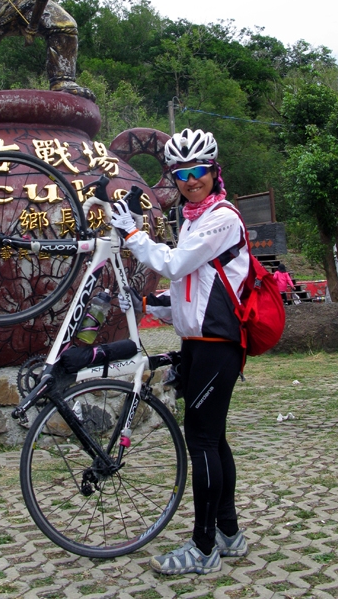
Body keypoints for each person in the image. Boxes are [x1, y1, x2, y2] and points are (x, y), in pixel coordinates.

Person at [111, 128, 249, 576]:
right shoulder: (193, 217)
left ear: (214, 171)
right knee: (213, 439)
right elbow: (190, 291)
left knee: (203, 442)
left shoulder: (221, 218)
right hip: (198, 344)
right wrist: (149, 305)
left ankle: (203, 547)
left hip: (217, 346)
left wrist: (131, 232)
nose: (191, 180)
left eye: (199, 171)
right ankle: (228, 533)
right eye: (182, 173)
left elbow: (172, 263)